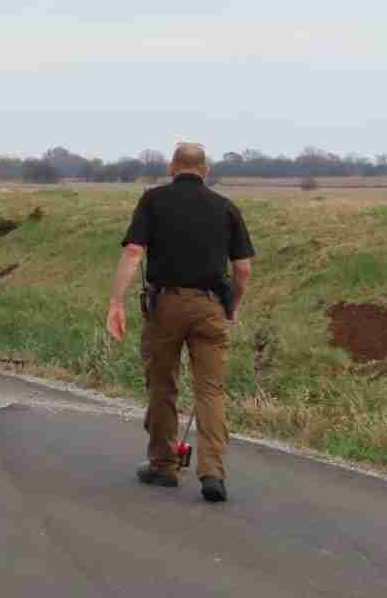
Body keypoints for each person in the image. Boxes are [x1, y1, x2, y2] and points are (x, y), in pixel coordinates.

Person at [105, 142, 254, 502]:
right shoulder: (225, 207)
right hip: (210, 308)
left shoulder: (153, 200)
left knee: (163, 384)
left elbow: (134, 251)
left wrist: (116, 301)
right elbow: (243, 268)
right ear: (206, 171)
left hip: (166, 306)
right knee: (211, 391)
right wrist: (231, 306)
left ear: (172, 168)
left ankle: (163, 464)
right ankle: (212, 473)